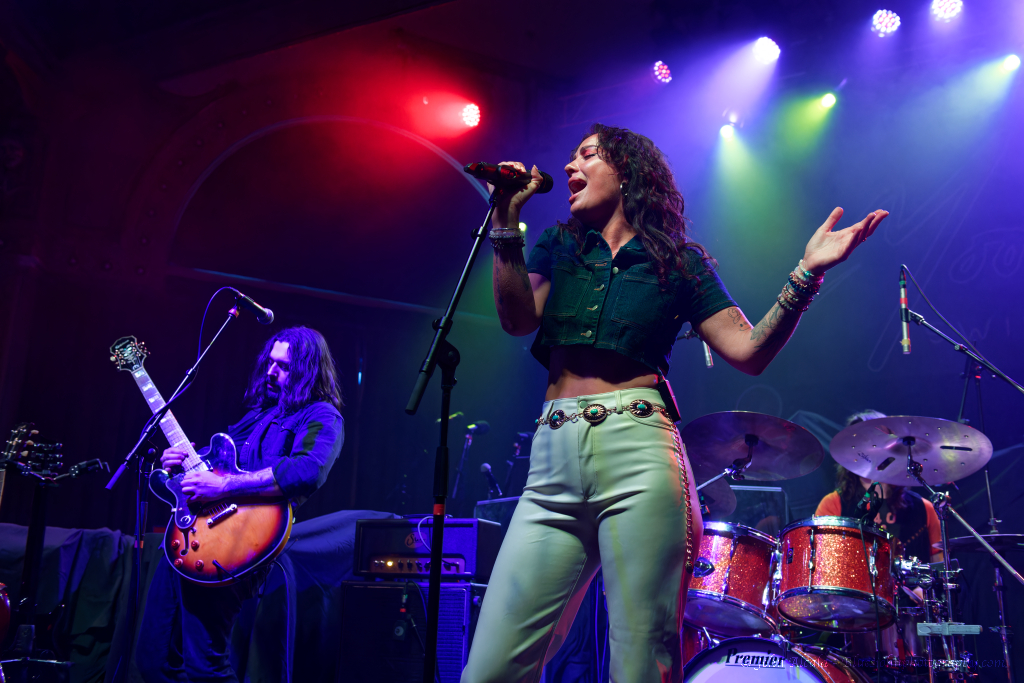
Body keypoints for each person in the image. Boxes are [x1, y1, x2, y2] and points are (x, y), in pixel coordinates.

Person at [462, 123, 888, 683]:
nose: (570, 167)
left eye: (587, 155)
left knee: (641, 659)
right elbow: (517, 319)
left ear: (628, 172)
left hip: (638, 453)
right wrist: (503, 221)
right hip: (552, 461)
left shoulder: (678, 263)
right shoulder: (558, 246)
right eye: (569, 158)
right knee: (490, 667)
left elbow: (748, 349)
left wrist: (807, 273)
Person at [137, 326, 345, 683]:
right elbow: (216, 462)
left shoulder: (323, 416)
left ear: (307, 370)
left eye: (282, 367)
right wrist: (182, 459)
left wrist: (225, 484)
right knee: (153, 661)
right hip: (185, 541)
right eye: (269, 363)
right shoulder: (259, 414)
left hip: (235, 543)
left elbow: (308, 470)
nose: (270, 372)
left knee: (205, 666)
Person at [816, 409, 942, 563]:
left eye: (871, 444)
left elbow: (939, 570)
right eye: (856, 445)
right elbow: (823, 567)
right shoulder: (833, 505)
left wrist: (924, 588)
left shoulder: (925, 509)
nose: (863, 452)